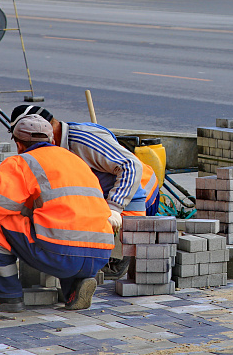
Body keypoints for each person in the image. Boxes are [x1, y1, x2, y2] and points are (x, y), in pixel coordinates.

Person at [0, 114, 114, 312]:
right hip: (99, 254)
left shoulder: (22, 162)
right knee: (62, 228)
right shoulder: (76, 160)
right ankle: (75, 287)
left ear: (19, 144)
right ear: (52, 140)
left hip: (60, 254)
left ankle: (4, 295)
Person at [8, 105, 159, 278]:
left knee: (103, 237)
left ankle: (120, 256)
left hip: (138, 193)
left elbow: (131, 166)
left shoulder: (81, 140)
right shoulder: (54, 148)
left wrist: (115, 208)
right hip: (107, 192)